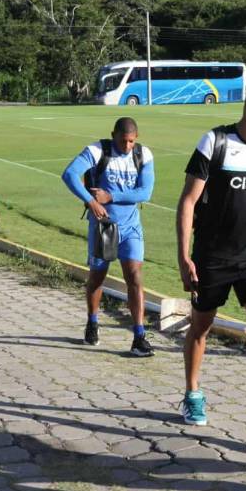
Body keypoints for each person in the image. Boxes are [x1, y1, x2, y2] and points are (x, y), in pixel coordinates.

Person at [175, 88, 246, 426]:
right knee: (201, 327)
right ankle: (193, 393)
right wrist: (184, 256)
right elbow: (187, 202)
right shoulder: (215, 142)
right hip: (212, 258)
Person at [61, 117, 156, 356]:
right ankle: (92, 322)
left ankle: (139, 335)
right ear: (113, 135)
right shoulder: (97, 150)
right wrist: (91, 201)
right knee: (97, 277)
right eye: (123, 141)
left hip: (131, 227)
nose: (127, 147)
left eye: (132, 142)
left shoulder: (143, 155)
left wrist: (110, 196)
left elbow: (145, 192)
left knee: (134, 276)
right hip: (103, 228)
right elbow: (70, 174)